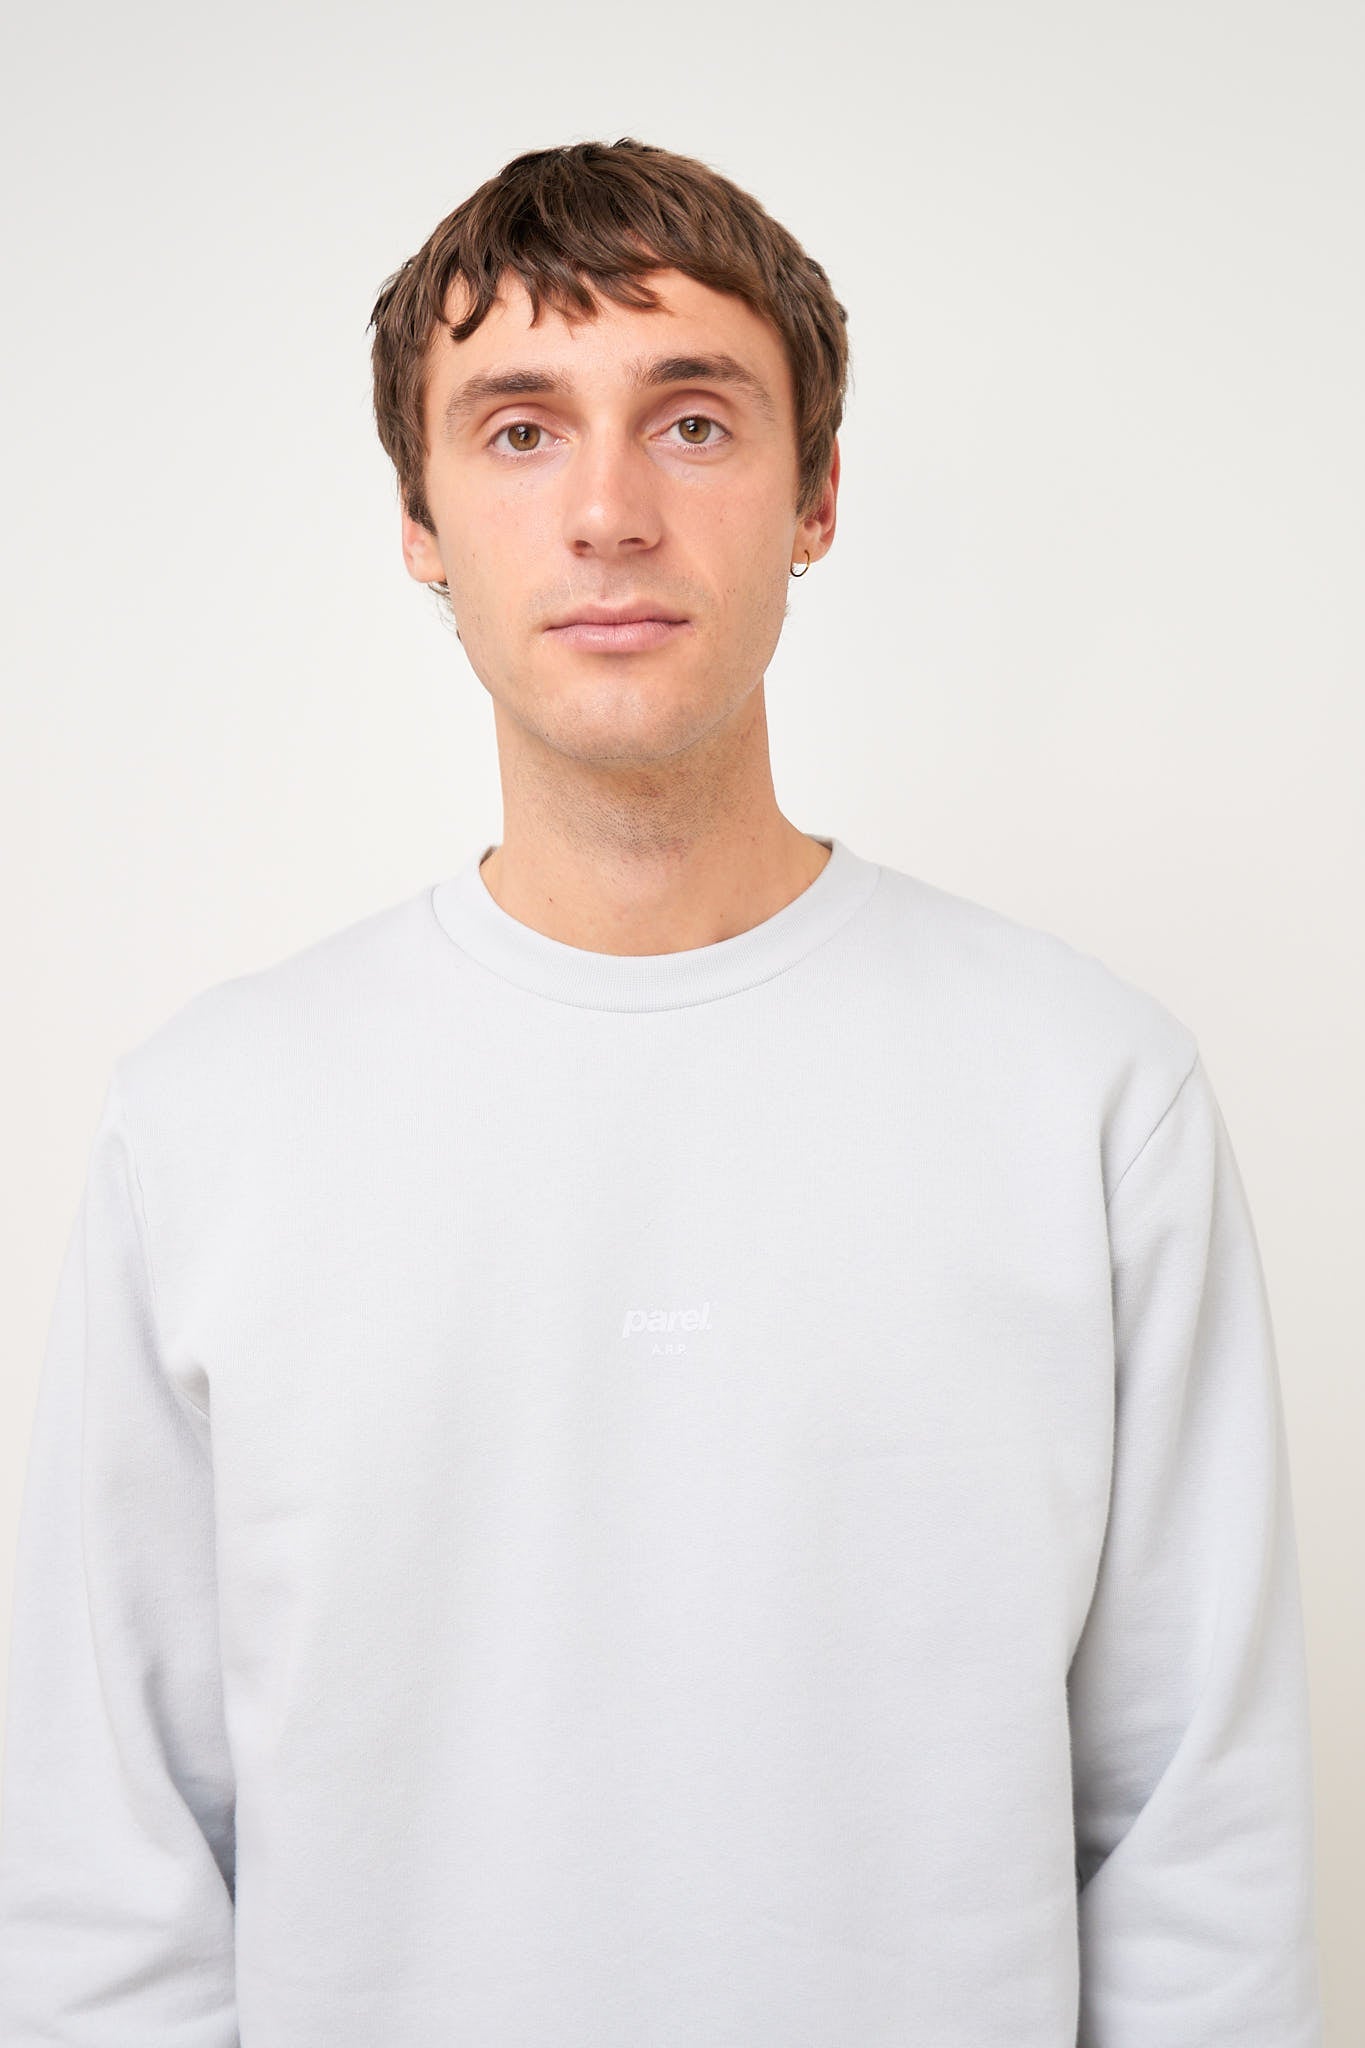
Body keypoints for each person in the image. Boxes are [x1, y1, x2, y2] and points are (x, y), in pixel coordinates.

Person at [0, 136, 1323, 2045]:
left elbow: (1204, 1856)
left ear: (816, 496)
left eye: (692, 423)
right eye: (519, 431)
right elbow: (108, 1883)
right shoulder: (210, 1125)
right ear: (419, 520)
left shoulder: (1089, 1096)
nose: (609, 511)